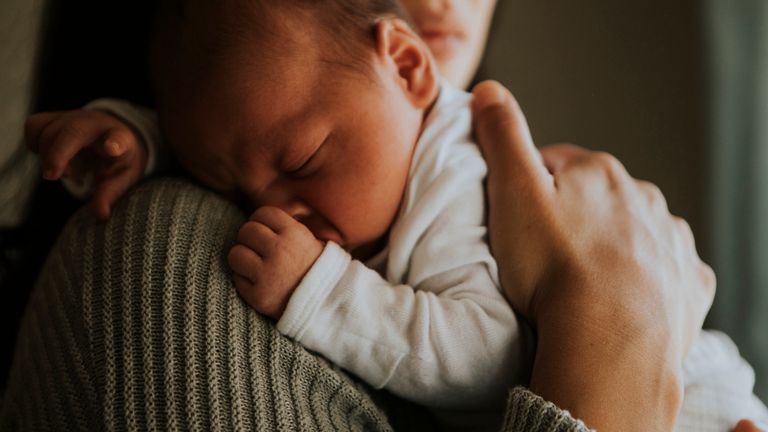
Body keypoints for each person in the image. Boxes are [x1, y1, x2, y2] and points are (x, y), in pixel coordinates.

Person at [21, 0, 768, 430]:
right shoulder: (156, 256)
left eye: (306, 163)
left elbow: (482, 356)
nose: (278, 214)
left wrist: (323, 293)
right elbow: (244, 138)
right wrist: (137, 137)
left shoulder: (450, 176)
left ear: (407, 66)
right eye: (238, 196)